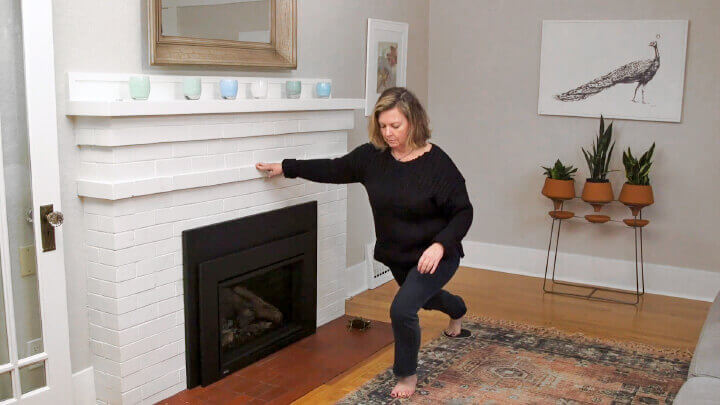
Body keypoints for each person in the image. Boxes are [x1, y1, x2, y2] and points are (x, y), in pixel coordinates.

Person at [255, 87, 473, 399]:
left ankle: (406, 375)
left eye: (395, 125)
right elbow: (333, 168)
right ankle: (458, 308)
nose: (388, 133)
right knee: (424, 299)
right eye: (382, 126)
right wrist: (286, 167)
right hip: (399, 256)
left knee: (402, 309)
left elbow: (463, 212)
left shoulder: (436, 163)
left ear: (414, 122)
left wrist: (440, 246)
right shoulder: (372, 157)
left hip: (436, 254)